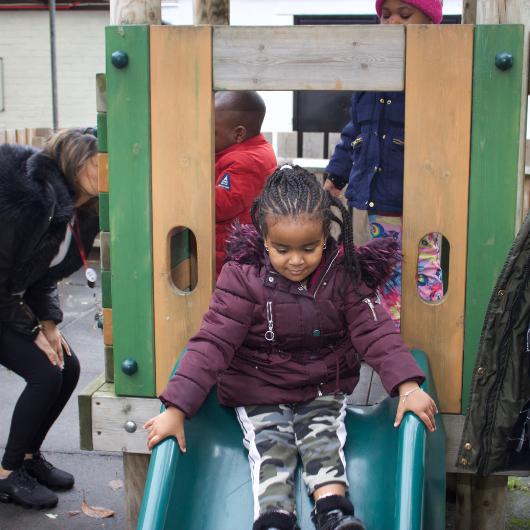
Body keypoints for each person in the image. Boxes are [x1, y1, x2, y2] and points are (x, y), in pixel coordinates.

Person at [144, 166, 438, 530]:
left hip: (321, 388)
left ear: (325, 236)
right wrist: (176, 407)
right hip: (259, 389)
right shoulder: (243, 277)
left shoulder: (342, 274)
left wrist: (407, 386)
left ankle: (333, 512)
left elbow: (374, 329)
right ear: (264, 237)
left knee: (324, 438)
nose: (296, 260)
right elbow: (212, 342)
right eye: (282, 249)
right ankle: (274, 520)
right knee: (272, 446)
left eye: (309, 248)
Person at [324, 0, 444, 327]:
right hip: (379, 195)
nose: (391, 22)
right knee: (382, 265)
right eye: (385, 14)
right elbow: (354, 131)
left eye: (405, 15)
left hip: (421, 193)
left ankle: (430, 330)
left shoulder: (436, 68)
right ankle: (389, 333)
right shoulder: (371, 74)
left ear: (430, 23)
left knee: (425, 263)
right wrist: (337, 173)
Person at [0, 128, 100, 509]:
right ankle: (8, 475)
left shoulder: (81, 211)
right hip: (2, 302)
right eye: (98, 161)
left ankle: (27, 458)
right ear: (76, 162)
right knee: (45, 375)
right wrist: (30, 329)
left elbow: (41, 274)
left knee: (68, 366)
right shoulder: (30, 203)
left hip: (11, 300)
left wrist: (50, 323)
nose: (108, 168)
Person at [214, 90, 277, 277]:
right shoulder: (258, 148)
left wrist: (190, 180)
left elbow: (221, 205)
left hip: (228, 254)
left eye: (212, 131)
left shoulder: (246, 162)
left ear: (238, 134)